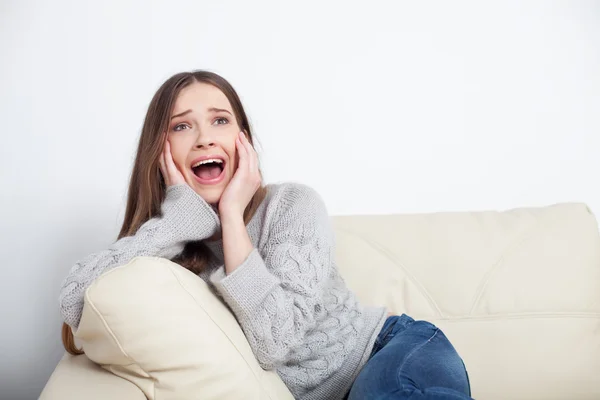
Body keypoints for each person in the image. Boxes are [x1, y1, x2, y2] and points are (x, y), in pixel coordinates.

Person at [58, 70, 472, 400]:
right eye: (182, 127)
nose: (205, 137)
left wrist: (232, 217)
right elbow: (75, 299)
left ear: (243, 142)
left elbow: (276, 341)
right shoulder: (167, 246)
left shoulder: (293, 205)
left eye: (220, 120)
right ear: (160, 152)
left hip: (387, 351)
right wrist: (177, 223)